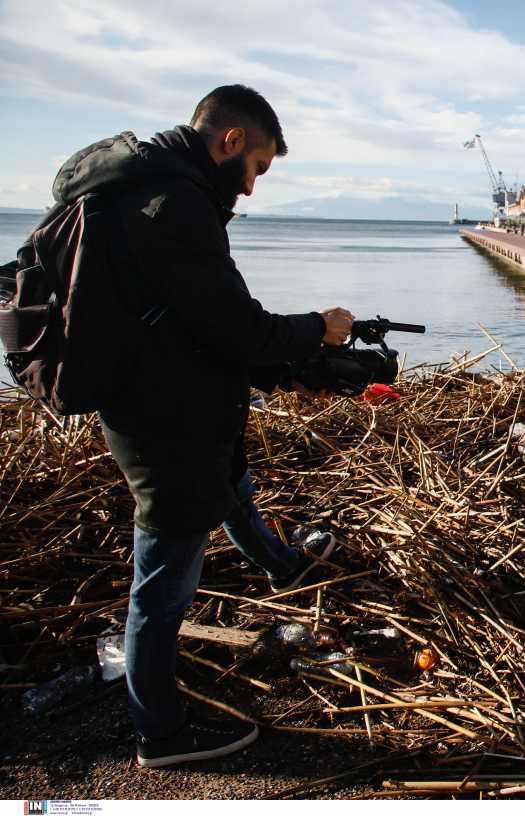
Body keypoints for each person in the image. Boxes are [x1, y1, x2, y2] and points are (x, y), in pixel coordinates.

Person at [51, 85, 355, 768]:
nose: (251, 189)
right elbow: (236, 326)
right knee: (163, 579)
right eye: (259, 168)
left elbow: (196, 325)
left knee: (231, 483)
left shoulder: (157, 189)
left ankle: (282, 566)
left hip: (176, 402)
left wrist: (287, 372)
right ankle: (160, 733)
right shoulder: (174, 203)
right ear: (230, 142)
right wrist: (320, 330)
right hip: (163, 419)